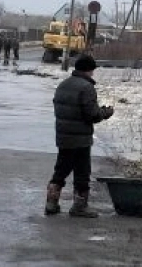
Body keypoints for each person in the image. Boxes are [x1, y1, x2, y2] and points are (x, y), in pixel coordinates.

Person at [46, 55, 114, 217]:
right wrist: (105, 112)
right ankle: (79, 206)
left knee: (61, 170)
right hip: (81, 138)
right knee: (82, 172)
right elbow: (92, 115)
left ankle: (51, 203)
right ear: (89, 69)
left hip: (63, 136)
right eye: (92, 70)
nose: (93, 74)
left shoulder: (63, 85)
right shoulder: (86, 88)